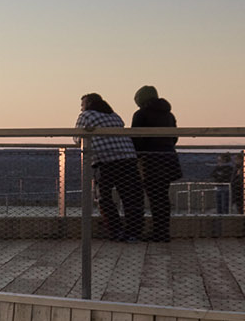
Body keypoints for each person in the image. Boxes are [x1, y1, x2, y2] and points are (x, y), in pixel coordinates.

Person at [76, 93, 143, 242]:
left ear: (89, 104)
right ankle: (133, 233)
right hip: (128, 158)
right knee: (130, 198)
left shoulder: (86, 115)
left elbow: (77, 138)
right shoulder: (114, 116)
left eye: (82, 105)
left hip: (105, 160)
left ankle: (116, 230)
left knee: (103, 198)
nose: (81, 108)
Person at [131, 86, 180, 242]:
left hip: (150, 161)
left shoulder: (140, 115)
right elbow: (174, 138)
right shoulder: (169, 114)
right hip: (168, 159)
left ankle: (158, 233)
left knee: (154, 198)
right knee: (162, 198)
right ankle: (162, 231)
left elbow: (136, 139)